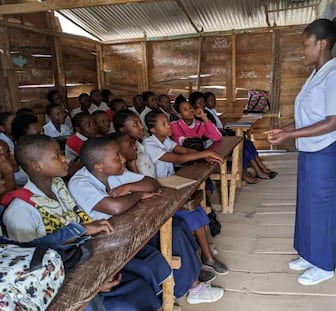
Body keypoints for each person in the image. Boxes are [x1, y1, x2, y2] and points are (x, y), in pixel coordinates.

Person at [1, 134, 163, 310]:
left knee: (139, 279)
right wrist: (92, 283)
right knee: (127, 299)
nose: (65, 159)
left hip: (83, 259)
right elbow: (32, 274)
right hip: (59, 287)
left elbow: (79, 225)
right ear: (36, 166)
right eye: (57, 155)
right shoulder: (20, 211)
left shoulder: (58, 186)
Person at [69, 137, 224, 304]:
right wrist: (139, 194)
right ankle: (189, 284)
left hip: (126, 224)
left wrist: (128, 188)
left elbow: (152, 183)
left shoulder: (114, 173)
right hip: (105, 238)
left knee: (176, 226)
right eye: (116, 157)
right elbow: (115, 207)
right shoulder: (80, 183)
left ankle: (192, 280)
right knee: (165, 237)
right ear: (98, 165)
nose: (122, 159)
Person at [266, 16, 336, 286]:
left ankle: (324, 264)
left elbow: (332, 121)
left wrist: (290, 134)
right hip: (311, 150)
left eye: (306, 45)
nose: (302, 51)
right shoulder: (316, 75)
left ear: (322, 44)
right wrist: (285, 130)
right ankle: (309, 253)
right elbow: (309, 119)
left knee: (322, 207)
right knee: (307, 205)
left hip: (328, 151)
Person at [144, 110, 229, 275]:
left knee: (196, 208)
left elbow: (183, 151)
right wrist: (206, 153)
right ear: (153, 130)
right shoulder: (150, 144)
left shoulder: (164, 140)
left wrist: (203, 156)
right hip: (157, 191)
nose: (169, 126)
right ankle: (206, 257)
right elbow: (177, 159)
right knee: (191, 213)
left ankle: (205, 255)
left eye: (168, 122)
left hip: (169, 184)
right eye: (164, 124)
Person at [190, 91, 276, 183]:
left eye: (203, 102)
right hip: (210, 145)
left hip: (217, 140)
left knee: (247, 143)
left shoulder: (206, 113)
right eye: (200, 103)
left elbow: (215, 131)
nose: (203, 105)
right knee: (241, 147)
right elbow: (209, 134)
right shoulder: (198, 117)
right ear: (193, 105)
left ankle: (260, 168)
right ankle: (246, 174)